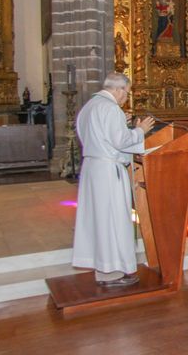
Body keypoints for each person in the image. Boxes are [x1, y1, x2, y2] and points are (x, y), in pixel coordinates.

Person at [72, 72, 155, 287]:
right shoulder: (110, 109)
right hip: (108, 171)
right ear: (117, 89)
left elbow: (95, 135)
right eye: (126, 93)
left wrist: (122, 123)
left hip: (93, 168)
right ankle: (111, 271)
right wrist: (140, 130)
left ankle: (103, 268)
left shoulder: (89, 106)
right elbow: (119, 141)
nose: (126, 98)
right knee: (112, 219)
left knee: (100, 220)